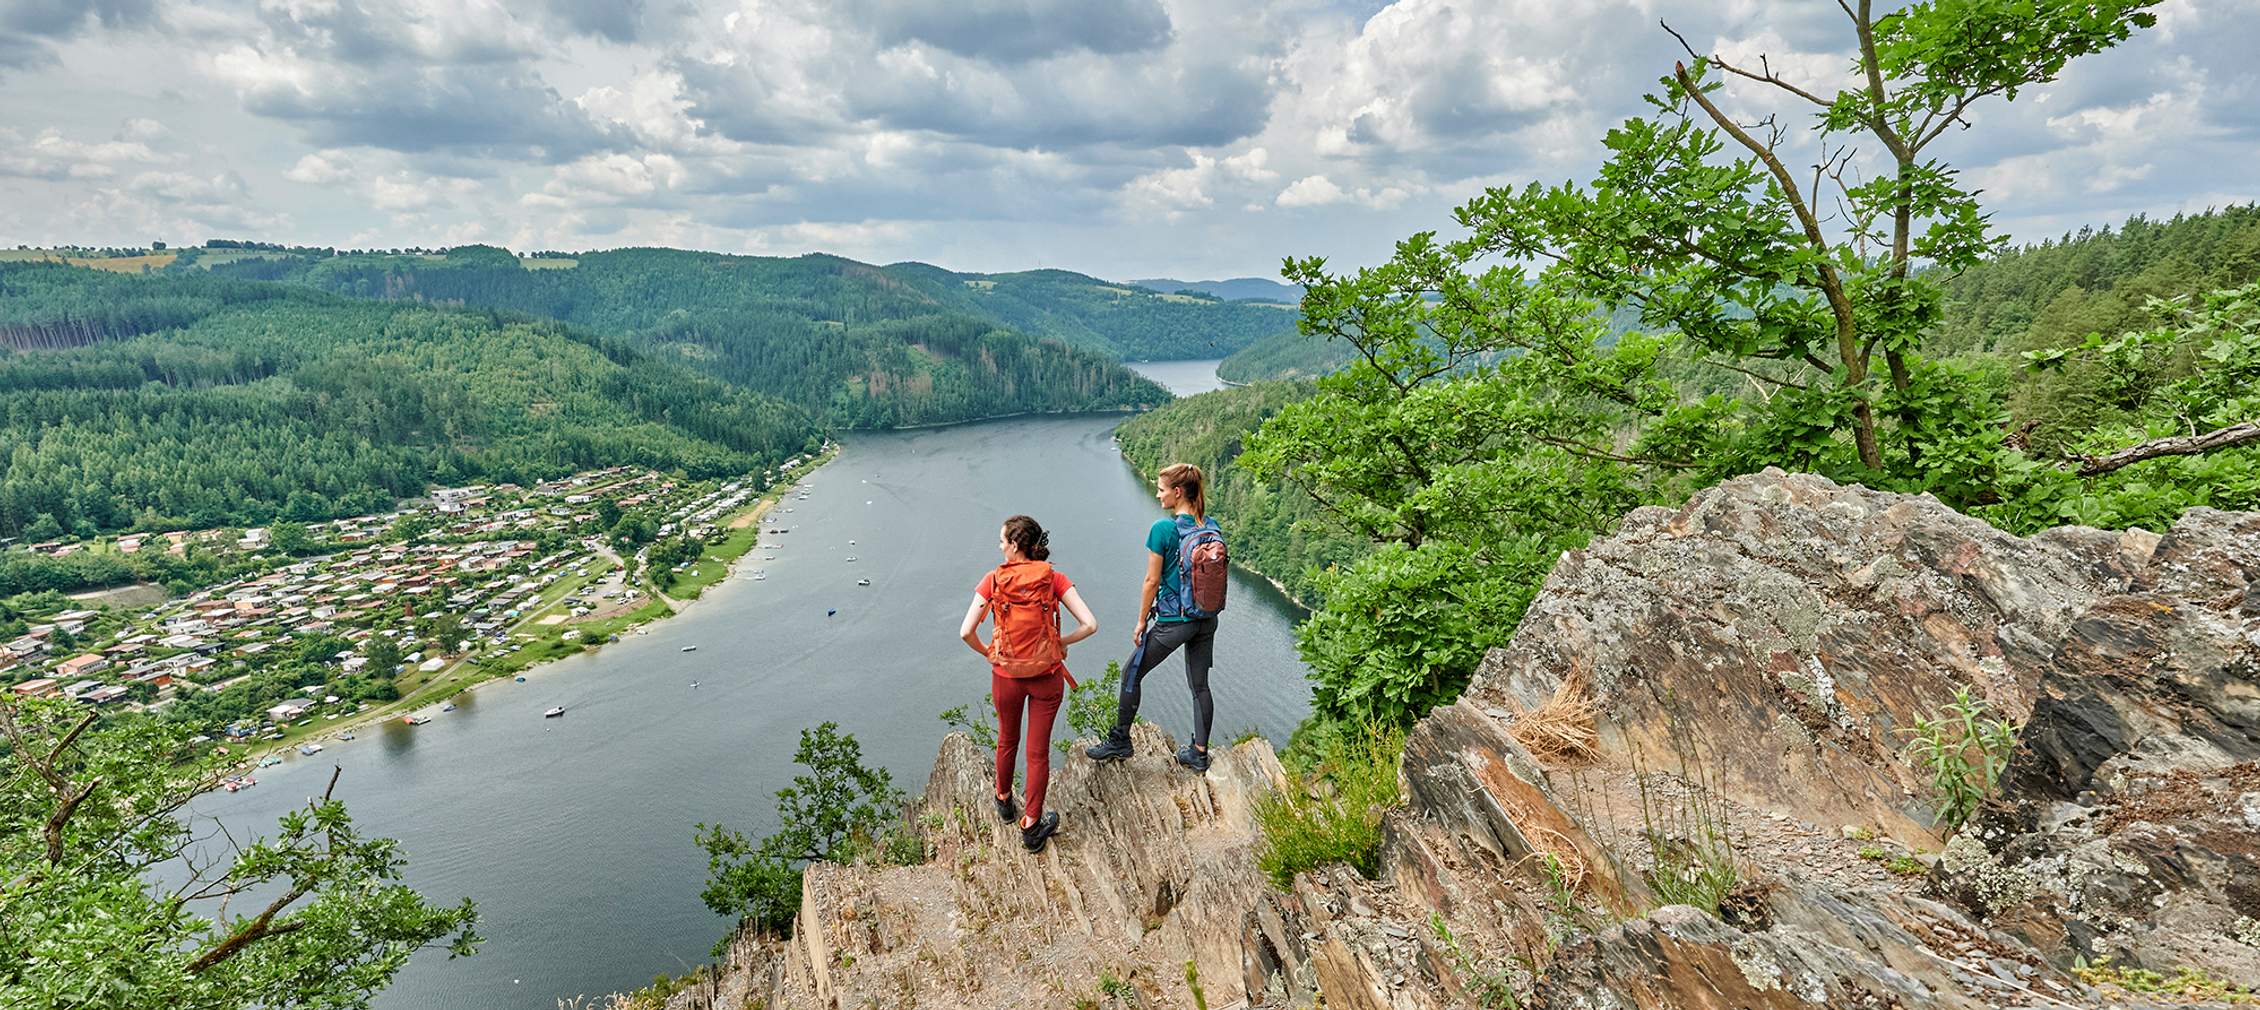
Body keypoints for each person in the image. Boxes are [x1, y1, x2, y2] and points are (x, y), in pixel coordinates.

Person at [959, 514, 1097, 853]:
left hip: (1006, 677)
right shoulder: (1054, 578)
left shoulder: (993, 580)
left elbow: (965, 632)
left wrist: (990, 653)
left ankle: (1004, 801)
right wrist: (1060, 642)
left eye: (1003, 540)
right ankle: (1032, 825)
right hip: (1046, 678)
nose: (999, 545)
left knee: (1007, 739)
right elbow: (1091, 624)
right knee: (1037, 753)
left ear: (1016, 545)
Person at [1086, 462, 1219, 772]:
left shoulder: (1164, 529)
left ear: (1177, 492)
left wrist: (1141, 620)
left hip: (1175, 622)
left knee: (1131, 672)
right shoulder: (1210, 525)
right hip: (1206, 619)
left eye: (1161, 490)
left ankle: (1120, 739)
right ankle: (1199, 753)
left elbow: (1151, 581)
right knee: (1200, 686)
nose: (1158, 496)